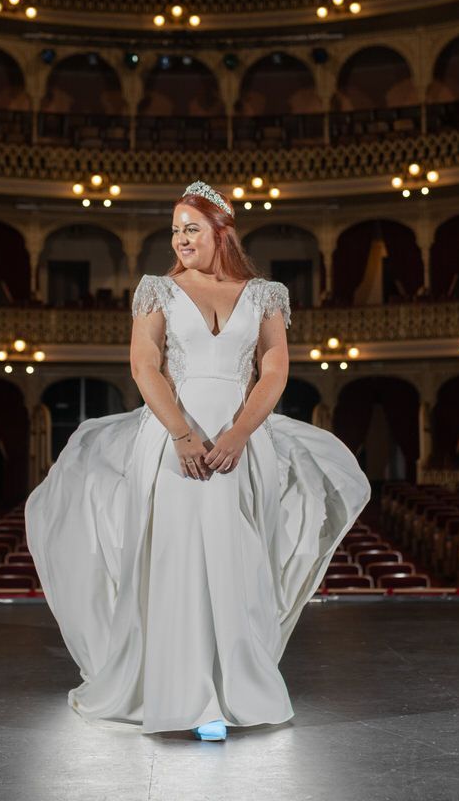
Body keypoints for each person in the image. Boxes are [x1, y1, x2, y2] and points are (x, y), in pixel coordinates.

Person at [25, 180, 371, 741]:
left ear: (220, 232)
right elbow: (144, 367)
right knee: (176, 558)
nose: (181, 239)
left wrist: (237, 434)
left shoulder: (265, 294)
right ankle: (184, 697)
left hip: (242, 441)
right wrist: (183, 434)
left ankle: (237, 690)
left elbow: (275, 370)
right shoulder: (155, 291)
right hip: (169, 439)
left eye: (192, 228)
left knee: (236, 560)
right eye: (175, 230)